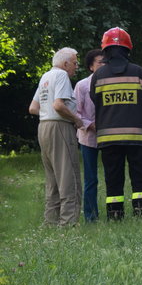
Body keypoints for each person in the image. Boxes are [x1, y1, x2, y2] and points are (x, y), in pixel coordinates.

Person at [90, 27, 142, 220]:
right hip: (137, 137)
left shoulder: (98, 76)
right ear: (128, 49)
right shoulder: (139, 73)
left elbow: (94, 99)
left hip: (108, 139)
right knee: (141, 177)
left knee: (113, 179)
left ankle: (115, 216)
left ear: (105, 50)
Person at [28, 47, 83, 226]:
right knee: (69, 176)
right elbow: (59, 105)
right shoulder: (61, 76)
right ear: (65, 63)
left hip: (43, 127)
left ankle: (50, 221)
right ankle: (68, 223)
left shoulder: (45, 76)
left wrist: (48, 114)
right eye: (75, 63)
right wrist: (76, 119)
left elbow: (33, 108)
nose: (77, 67)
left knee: (52, 178)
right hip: (60, 128)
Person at [73, 49, 106, 222]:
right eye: (100, 62)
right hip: (88, 138)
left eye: (106, 62)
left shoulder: (110, 83)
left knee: (112, 175)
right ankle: (91, 216)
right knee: (91, 178)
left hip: (109, 137)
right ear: (91, 66)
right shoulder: (82, 86)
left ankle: (114, 212)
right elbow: (75, 112)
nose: (104, 65)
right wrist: (90, 125)